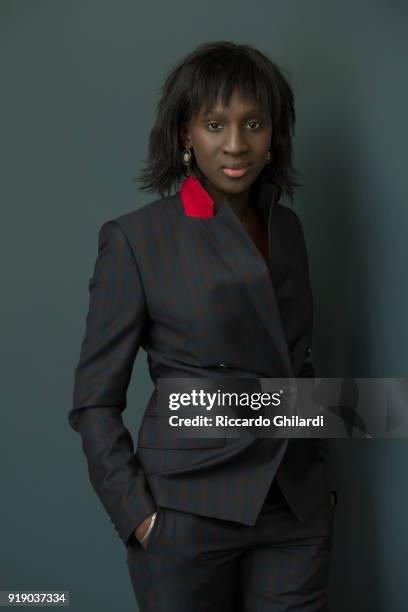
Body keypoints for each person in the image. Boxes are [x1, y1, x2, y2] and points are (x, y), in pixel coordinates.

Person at [69, 41, 338, 611]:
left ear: (274, 135)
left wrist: (320, 477)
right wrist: (139, 517)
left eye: (254, 124)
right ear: (185, 134)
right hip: (187, 513)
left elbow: (296, 363)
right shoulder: (136, 238)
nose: (236, 145)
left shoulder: (287, 229)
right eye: (215, 124)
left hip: (292, 508)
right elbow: (93, 402)